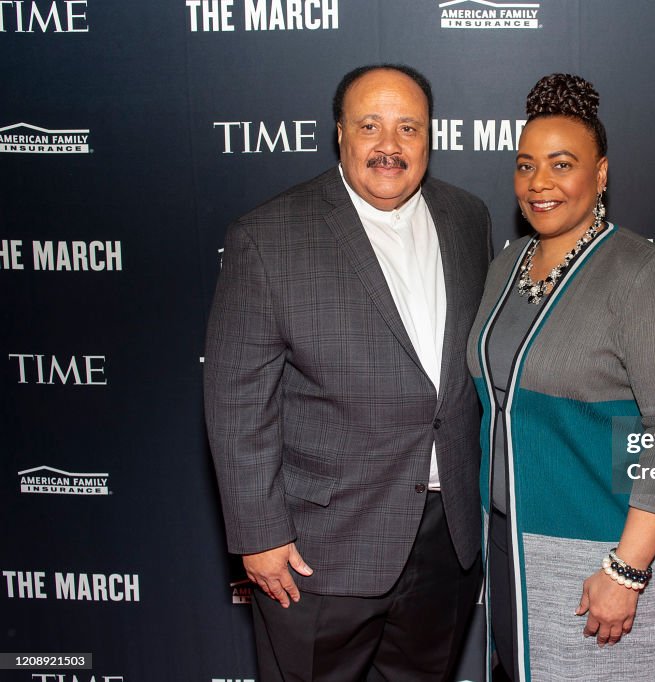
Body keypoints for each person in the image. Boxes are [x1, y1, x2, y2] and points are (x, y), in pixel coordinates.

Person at [204, 64, 491, 681]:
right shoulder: (268, 236)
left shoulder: (469, 219)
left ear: (430, 137)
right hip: (317, 550)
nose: (389, 145)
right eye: (370, 125)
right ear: (340, 133)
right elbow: (237, 399)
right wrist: (259, 535)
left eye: (408, 128)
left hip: (447, 542)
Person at [467, 73, 655, 682]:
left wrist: (627, 569)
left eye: (561, 164)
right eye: (526, 166)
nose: (539, 183)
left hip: (599, 553)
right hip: (511, 543)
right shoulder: (507, 266)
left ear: (600, 174)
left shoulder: (644, 275)